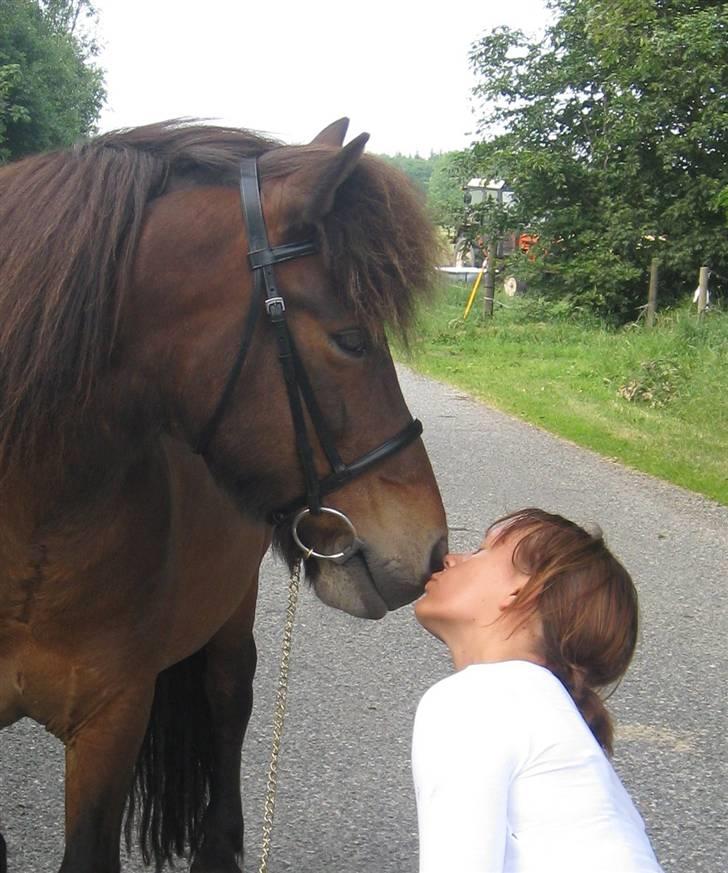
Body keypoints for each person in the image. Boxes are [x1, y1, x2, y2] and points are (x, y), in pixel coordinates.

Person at [412, 507, 663, 873]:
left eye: (481, 552)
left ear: (520, 592)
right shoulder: (552, 718)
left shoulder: (475, 700)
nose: (450, 559)